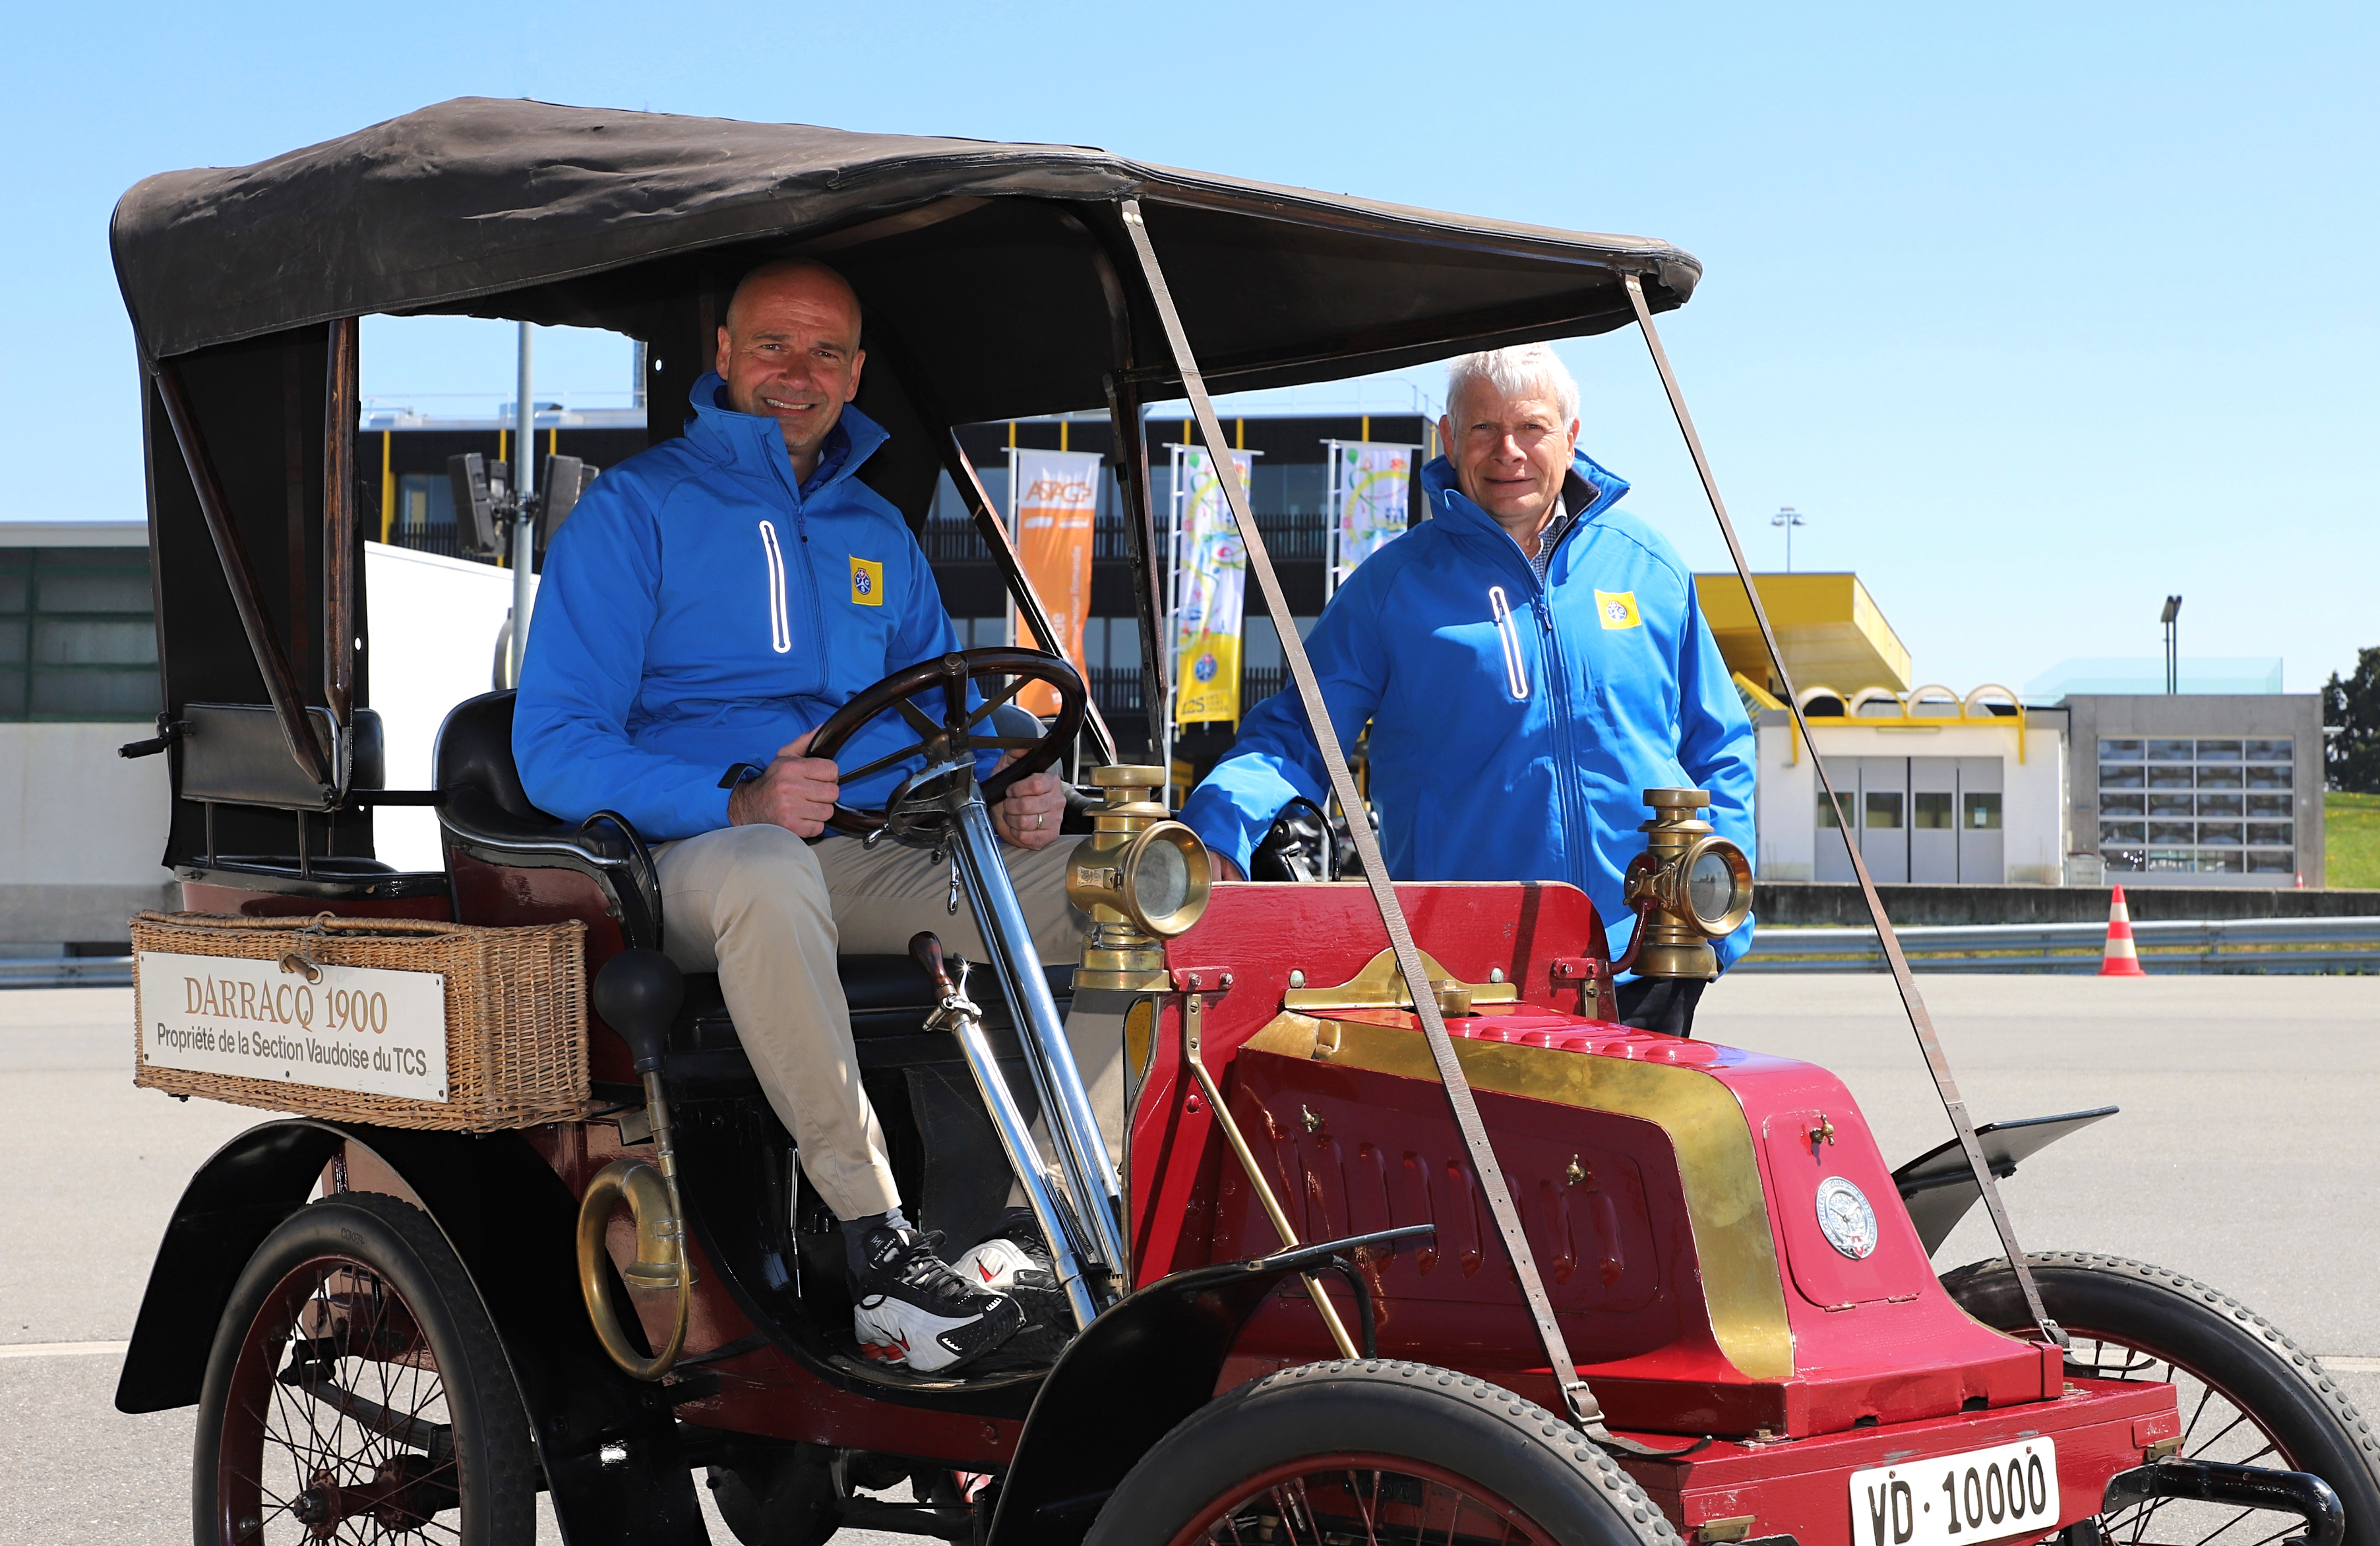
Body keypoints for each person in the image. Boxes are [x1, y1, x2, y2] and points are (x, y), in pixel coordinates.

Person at [514, 258, 1077, 1375]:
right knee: (770, 863)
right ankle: (880, 1257)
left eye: (825, 352)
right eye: (772, 344)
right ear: (724, 353)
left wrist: (1016, 771)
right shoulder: (639, 510)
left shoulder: (877, 529)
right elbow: (554, 746)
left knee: (1118, 892)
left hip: (860, 853)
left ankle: (1042, 1224)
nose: (797, 372)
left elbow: (944, 711)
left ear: (856, 374)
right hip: (681, 864)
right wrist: (736, 798)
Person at [1178, 343, 1757, 1035]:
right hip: (1463, 971)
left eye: (1532, 427)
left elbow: (1721, 745)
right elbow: (1296, 735)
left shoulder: (1649, 567)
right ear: (1449, 440)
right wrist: (1214, 831)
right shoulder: (1391, 587)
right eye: (1484, 428)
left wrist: (1718, 908)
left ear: (1570, 437)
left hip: (1646, 958)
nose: (1508, 451)